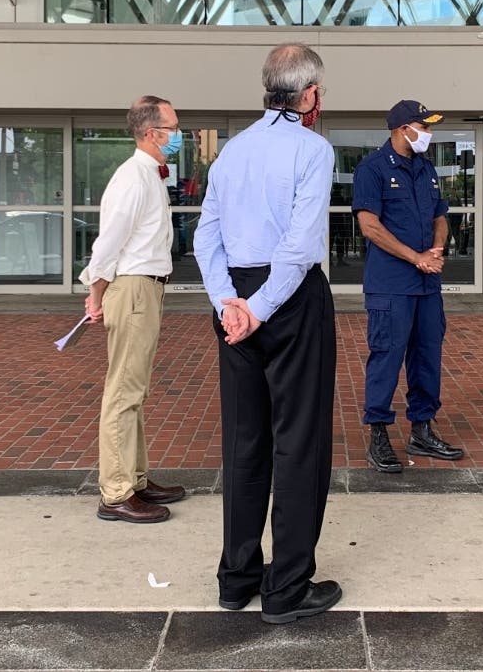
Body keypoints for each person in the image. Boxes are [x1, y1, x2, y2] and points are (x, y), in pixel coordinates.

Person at [193, 43, 341, 625]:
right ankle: (287, 589)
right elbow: (300, 246)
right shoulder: (313, 148)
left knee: (245, 439)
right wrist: (258, 308)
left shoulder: (232, 151)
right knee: (298, 441)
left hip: (234, 295)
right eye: (319, 93)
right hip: (288, 296)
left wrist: (227, 303)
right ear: (309, 96)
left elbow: (206, 237)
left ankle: (236, 579)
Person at [81, 96, 187, 524]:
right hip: (133, 289)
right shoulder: (133, 178)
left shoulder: (149, 176)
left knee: (135, 389)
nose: (179, 134)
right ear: (152, 132)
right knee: (123, 391)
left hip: (146, 288)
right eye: (173, 126)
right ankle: (117, 491)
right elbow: (109, 243)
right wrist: (96, 292)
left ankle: (136, 478)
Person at [353, 100, 464, 474]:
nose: (428, 134)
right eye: (423, 127)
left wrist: (436, 249)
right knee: (386, 357)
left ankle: (422, 428)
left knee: (427, 357)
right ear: (403, 129)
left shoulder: (426, 168)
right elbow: (370, 227)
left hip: (426, 286)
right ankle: (379, 434)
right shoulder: (372, 169)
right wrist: (415, 257)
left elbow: (440, 216)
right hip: (391, 286)